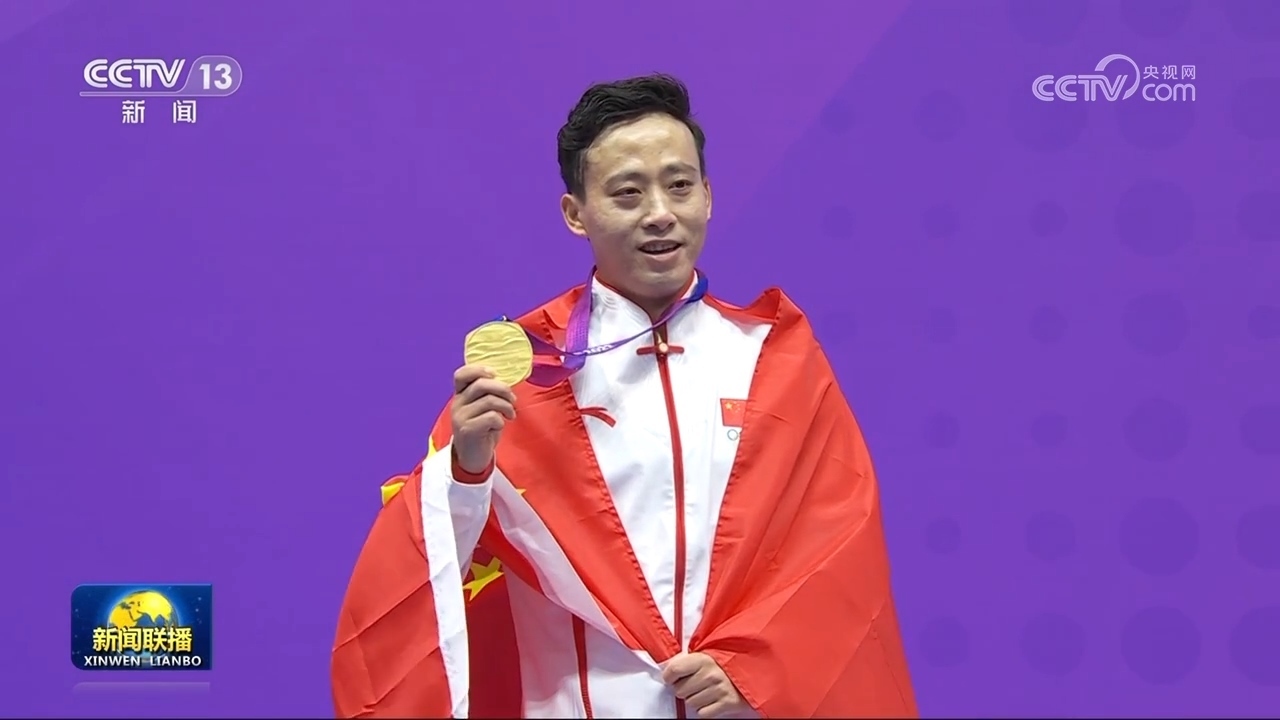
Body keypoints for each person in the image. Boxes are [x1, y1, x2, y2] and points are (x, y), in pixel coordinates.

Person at [331, 73, 918, 719]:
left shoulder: (773, 358)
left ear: (708, 197)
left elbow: (838, 548)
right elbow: (433, 561)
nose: (660, 212)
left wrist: (758, 665)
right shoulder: (527, 367)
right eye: (628, 192)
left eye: (679, 185)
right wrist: (467, 469)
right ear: (575, 213)